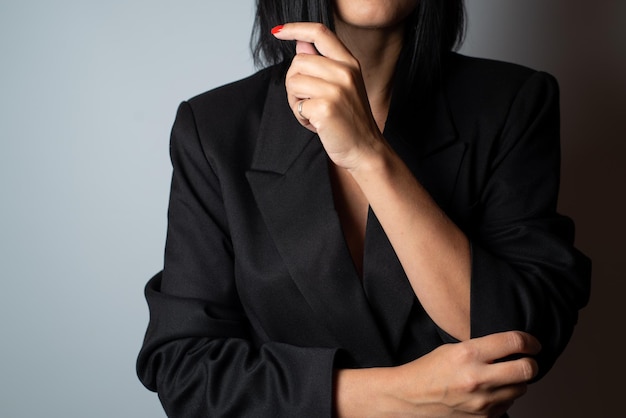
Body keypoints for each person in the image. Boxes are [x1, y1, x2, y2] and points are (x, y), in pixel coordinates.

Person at [137, 1, 591, 416]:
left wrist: (368, 154)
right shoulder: (215, 128)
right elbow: (185, 370)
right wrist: (399, 393)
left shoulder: (512, 102)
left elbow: (517, 343)